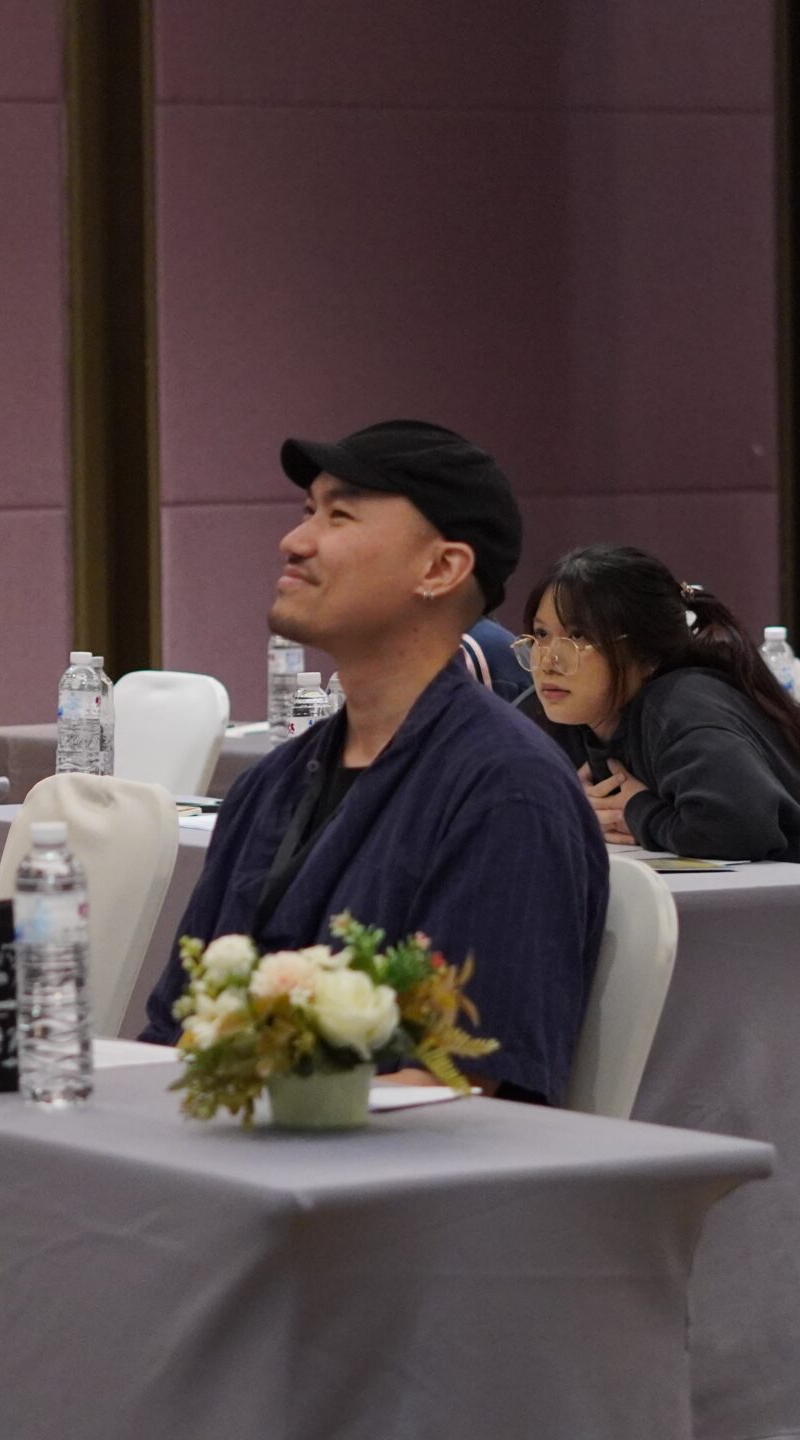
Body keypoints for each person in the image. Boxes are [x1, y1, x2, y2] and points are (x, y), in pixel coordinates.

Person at [139, 421, 606, 1104]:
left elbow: (450, 1083)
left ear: (440, 569)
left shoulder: (505, 789)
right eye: (308, 511)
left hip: (384, 1167)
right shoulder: (269, 785)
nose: (295, 540)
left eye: (340, 516)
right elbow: (175, 1033)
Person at [517, 543, 800, 1038]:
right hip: (737, 962)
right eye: (541, 635)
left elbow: (739, 824)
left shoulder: (684, 705)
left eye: (578, 637)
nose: (548, 660)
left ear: (645, 652)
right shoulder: (573, 713)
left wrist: (640, 811)